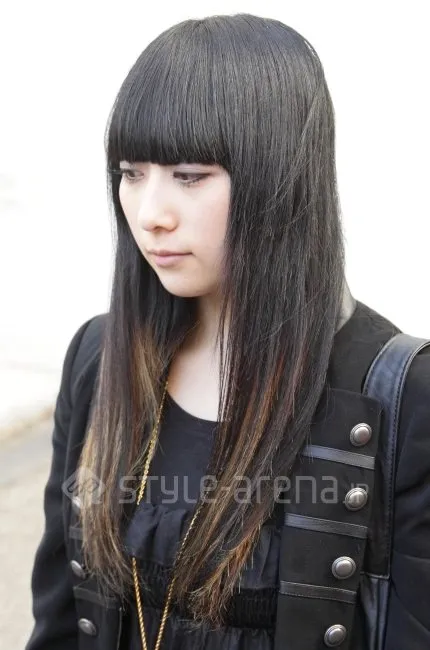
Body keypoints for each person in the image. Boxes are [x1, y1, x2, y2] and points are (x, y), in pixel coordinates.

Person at [25, 13, 430, 650]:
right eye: (131, 173)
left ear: (281, 177)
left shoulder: (398, 392)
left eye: (189, 176)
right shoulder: (98, 359)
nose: (150, 214)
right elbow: (58, 622)